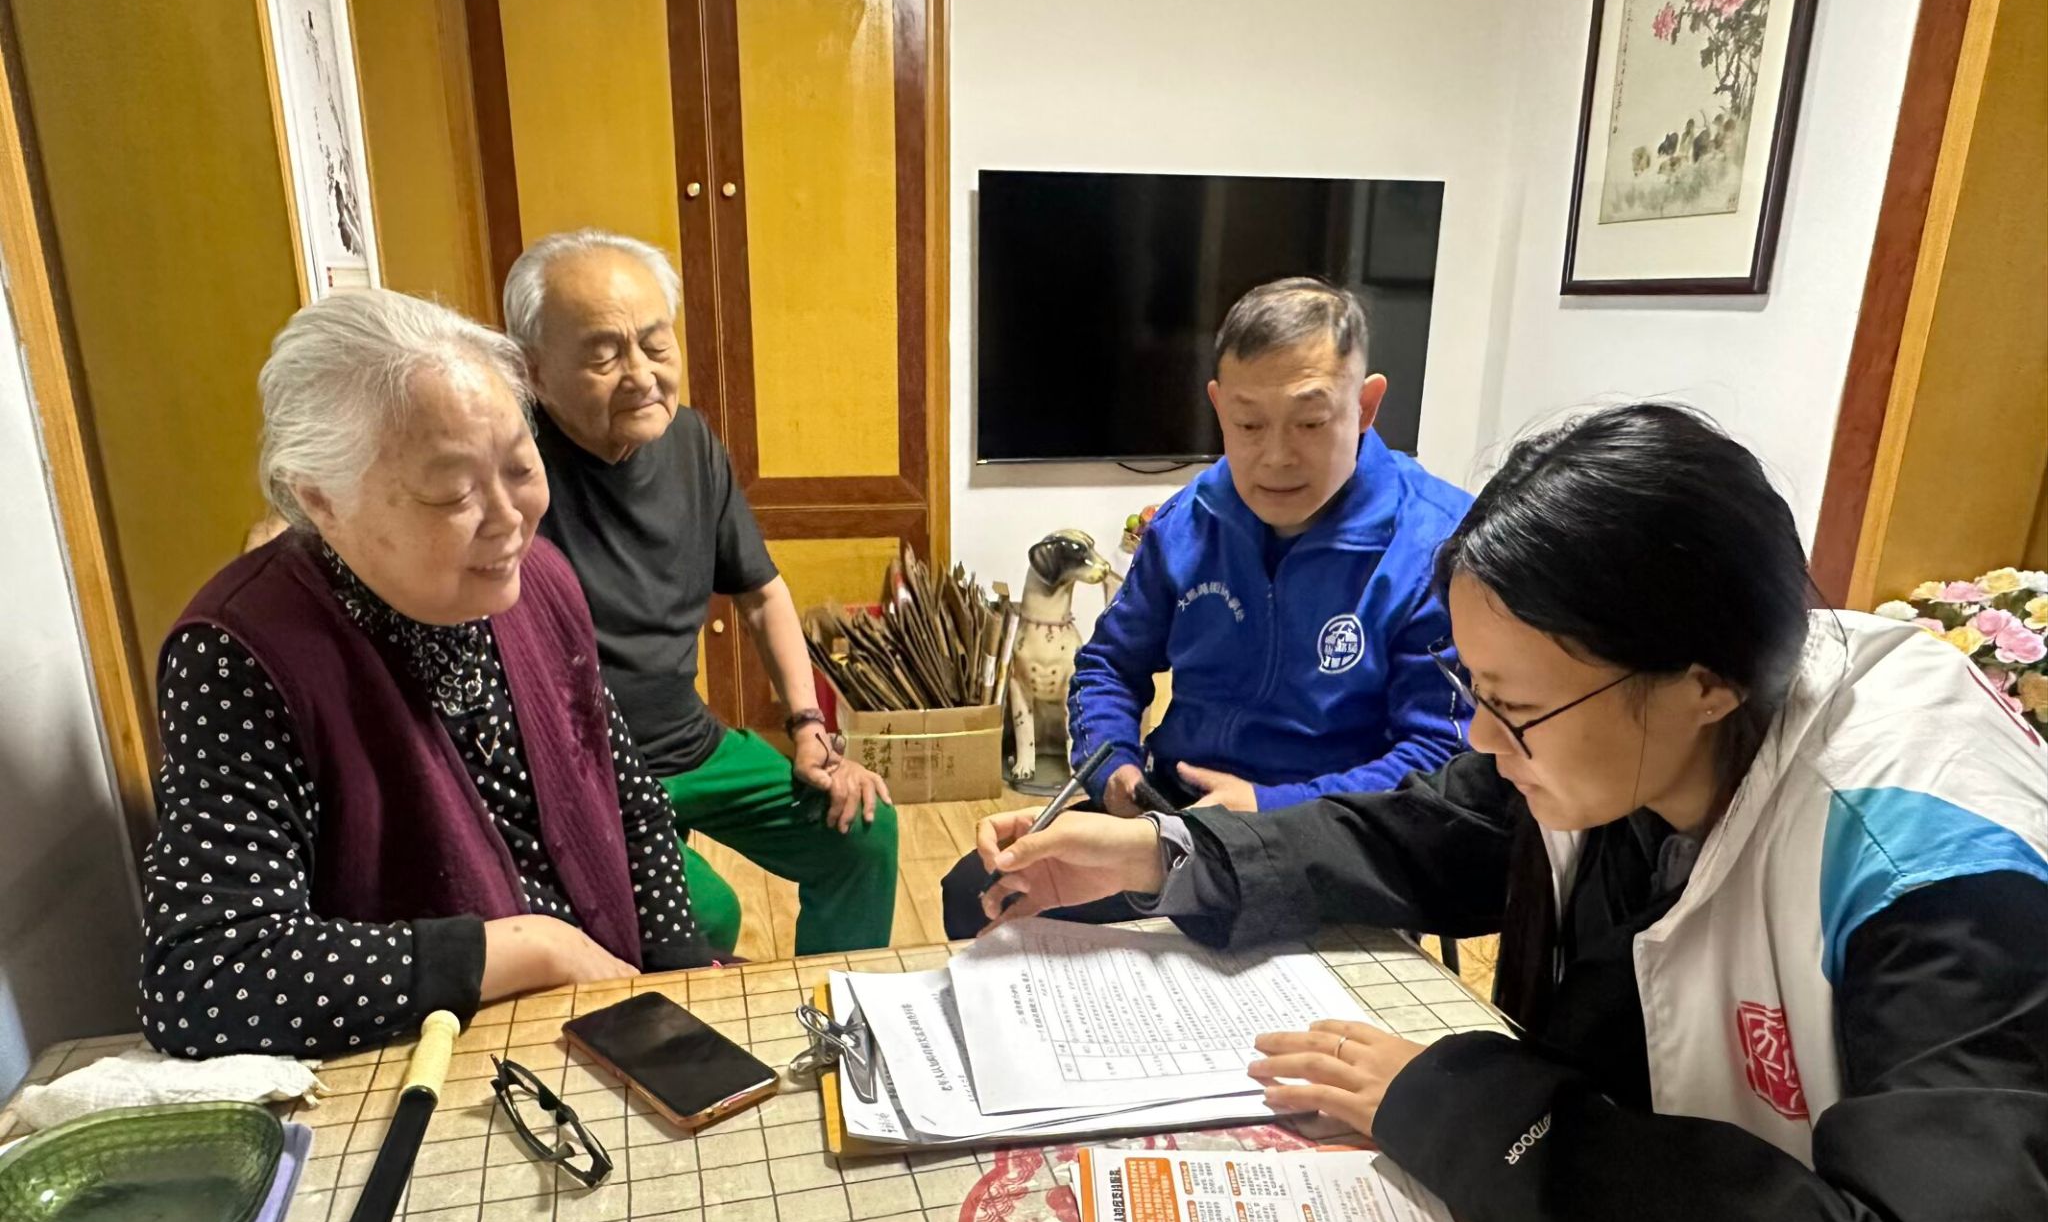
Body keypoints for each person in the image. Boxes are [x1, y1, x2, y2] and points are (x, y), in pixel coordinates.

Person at [968, 403, 2048, 1222]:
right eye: (1470, 688)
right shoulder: (1629, 724)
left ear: (1704, 682)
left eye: (1516, 708)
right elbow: (1431, 829)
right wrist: (1167, 856)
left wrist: (1468, 1110)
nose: (1481, 738)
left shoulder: (1934, 874)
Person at [139, 289, 709, 1061]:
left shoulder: (537, 577)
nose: (509, 518)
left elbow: (628, 799)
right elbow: (204, 979)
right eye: (452, 492)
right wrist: (529, 949)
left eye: (521, 465)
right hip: (440, 1060)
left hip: (605, 1012)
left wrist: (679, 975)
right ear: (322, 500)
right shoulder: (241, 655)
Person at [941, 276, 1472, 938]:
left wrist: (1270, 804)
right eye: (1248, 424)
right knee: (983, 890)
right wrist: (1113, 767)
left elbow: (1440, 757)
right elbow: (1109, 665)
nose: (1275, 457)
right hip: (1173, 816)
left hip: (1331, 838)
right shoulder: (1189, 521)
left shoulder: (1437, 546)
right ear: (1218, 407)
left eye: (1310, 422)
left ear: (1366, 407)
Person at [501, 230, 897, 957]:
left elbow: (762, 595)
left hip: (688, 741)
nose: (641, 376)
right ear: (533, 370)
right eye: (603, 356)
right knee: (704, 914)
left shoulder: (689, 441)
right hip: (577, 772)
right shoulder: (504, 462)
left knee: (861, 829)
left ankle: (832, 1009)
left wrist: (808, 726)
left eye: (656, 345)